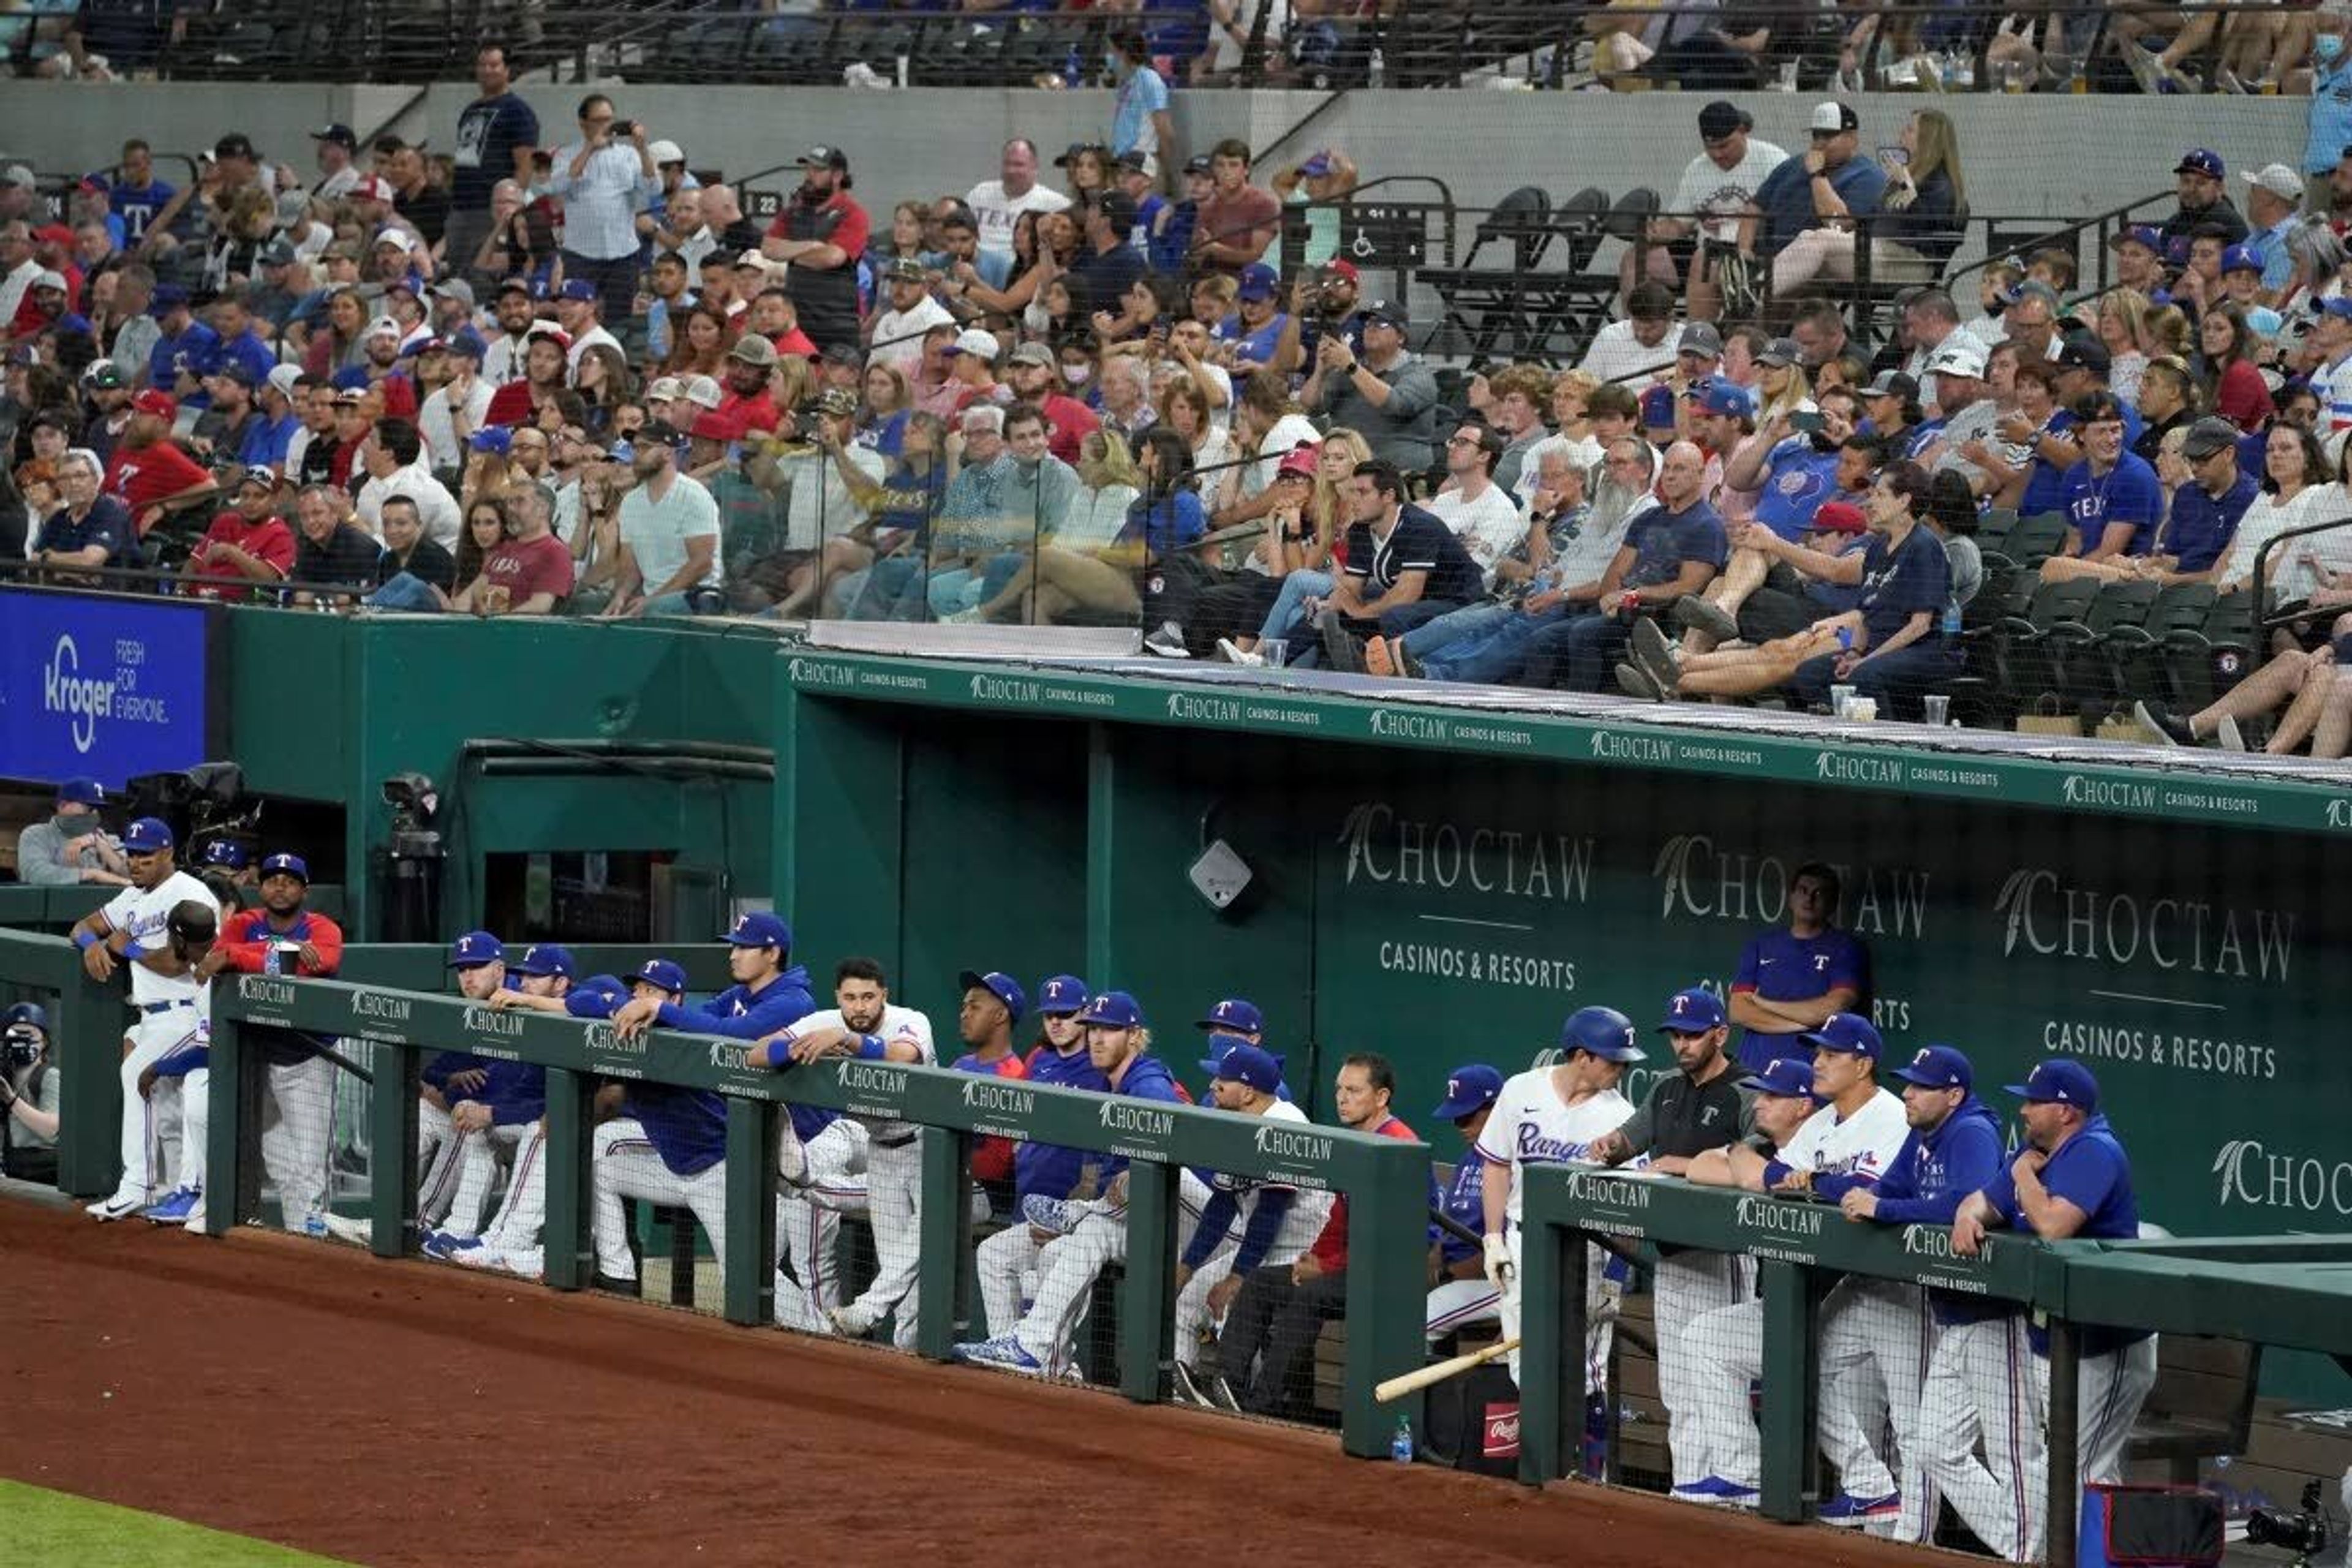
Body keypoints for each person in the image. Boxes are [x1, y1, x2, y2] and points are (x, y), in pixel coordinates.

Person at [1678, 1014, 1909, 1506]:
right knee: (1710, 1339)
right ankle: (1753, 1472)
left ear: (1864, 1064)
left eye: (1830, 1055)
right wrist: (1765, 1168)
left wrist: (1812, 1183)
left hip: (1895, 1290)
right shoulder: (1824, 1122)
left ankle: (1899, 1515)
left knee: (1920, 1429)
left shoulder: (1892, 1117)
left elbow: (1869, 1194)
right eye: (1817, 1052)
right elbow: (1771, 1177)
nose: (1818, 1062)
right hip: (1837, 1287)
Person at [1948, 1059, 2155, 1562]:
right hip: (2057, 1342)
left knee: (2085, 1470)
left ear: (2065, 1111)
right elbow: (1984, 1201)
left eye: (2033, 1101)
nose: (2022, 1110)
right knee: (2064, 1466)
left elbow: (2054, 1225)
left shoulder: (2094, 1152)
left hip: (2106, 1343)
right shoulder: (2037, 1151)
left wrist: (2021, 1173)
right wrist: (1965, 1214)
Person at [952, 990, 1189, 1376]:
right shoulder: (1107, 1081)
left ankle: (1074, 1221)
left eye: (1109, 1030)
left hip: (1169, 1228)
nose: (1097, 1038)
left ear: (1133, 1036)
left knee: (1088, 1230)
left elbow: (1182, 1128)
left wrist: (1143, 1165)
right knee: (997, 1252)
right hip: (1121, 1219)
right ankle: (1023, 1352)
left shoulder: (1145, 1080)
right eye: (1093, 1028)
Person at [1830, 1044, 2004, 1540]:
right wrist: (1869, 1197)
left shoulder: (1972, 1131)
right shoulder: (1924, 1131)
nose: (1906, 1092)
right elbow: (1893, 1186)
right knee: (1931, 1439)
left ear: (1953, 1095)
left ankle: (2001, 1545)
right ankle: (1926, 1537)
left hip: (1990, 1311)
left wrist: (1882, 1210)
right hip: (1947, 1305)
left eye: (1921, 1086)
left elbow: (1964, 1201)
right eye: (1907, 1083)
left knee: (2006, 1452)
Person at [1589, 988, 1757, 1496]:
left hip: (1722, 1255)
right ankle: (1690, 1491)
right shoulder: (1664, 1087)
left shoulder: (1747, 1090)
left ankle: (1734, 1486)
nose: (1682, 1045)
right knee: (1680, 1387)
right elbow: (1630, 1138)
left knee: (1719, 1382)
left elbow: (1754, 1166)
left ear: (1720, 1034)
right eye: (1676, 1036)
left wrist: (1684, 1165)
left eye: (1692, 1035)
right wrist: (1611, 1146)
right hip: (1671, 1255)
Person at [1207, 1052, 1419, 1417]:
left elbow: (1391, 1239)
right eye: (1339, 1089)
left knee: (1311, 1296)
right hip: (1351, 1265)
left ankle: (1264, 1404)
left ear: (1381, 1097)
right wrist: (1315, 1258)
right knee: (1260, 1283)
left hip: (1390, 1269)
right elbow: (1339, 1219)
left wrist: (1327, 1268)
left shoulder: (1400, 1145)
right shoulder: (1355, 1141)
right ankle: (1226, 1386)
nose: (1342, 1098)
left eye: (1354, 1090)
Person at [748, 958, 936, 1343]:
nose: (860, 1006)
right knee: (895, 1267)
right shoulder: (825, 1021)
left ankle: (879, 1323)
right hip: (879, 1149)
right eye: (851, 998)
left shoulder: (909, 1019)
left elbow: (904, 1055)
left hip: (929, 1146)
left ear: (883, 995)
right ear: (839, 998)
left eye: (869, 997)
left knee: (918, 1253)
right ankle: (905, 1355)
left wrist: (846, 1040)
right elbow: (756, 1054)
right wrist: (794, 1049)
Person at [1476, 1006, 1643, 1385]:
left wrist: (1615, 1277)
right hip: (1522, 1241)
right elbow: (1498, 1165)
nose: (1623, 1071)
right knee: (1523, 1362)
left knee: (1586, 1370)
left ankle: (1585, 1447)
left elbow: (1631, 1206)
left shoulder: (1623, 1117)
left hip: (1590, 1249)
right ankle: (1536, 1446)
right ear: (1582, 1057)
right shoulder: (1521, 1090)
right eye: (1615, 1061)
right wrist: (1493, 1239)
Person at [189, 852, 345, 1236]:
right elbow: (217, 957)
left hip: (308, 1056)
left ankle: (314, 1234)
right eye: (273, 879)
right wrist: (278, 954)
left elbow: (319, 964)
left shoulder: (323, 927)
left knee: (311, 1161)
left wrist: (239, 957)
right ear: (260, 887)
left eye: (290, 881)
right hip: (256, 1059)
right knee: (279, 1161)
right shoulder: (243, 923)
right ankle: (299, 1234)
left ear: (304, 891)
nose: (280, 886)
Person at [70, 817, 216, 1220]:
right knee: (167, 1106)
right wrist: (89, 946)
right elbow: (84, 926)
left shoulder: (189, 893)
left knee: (139, 1073)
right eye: (131, 856)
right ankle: (171, 1189)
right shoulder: (133, 897)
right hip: (152, 1016)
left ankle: (139, 1185)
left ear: (168, 853)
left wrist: (128, 949)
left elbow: (182, 962)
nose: (136, 864)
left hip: (190, 1012)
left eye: (145, 856)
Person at [1300, 459, 1487, 671]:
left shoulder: (1419, 526)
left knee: (1395, 616)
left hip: (1458, 601)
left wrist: (1360, 612)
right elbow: (1349, 586)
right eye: (1352, 492)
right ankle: (1287, 674)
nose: (1353, 500)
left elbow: (1406, 596)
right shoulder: (1361, 529)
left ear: (1388, 496)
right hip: (1419, 602)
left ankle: (1377, 670)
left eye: (1362, 493)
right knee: (1325, 616)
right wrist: (1328, 607)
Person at [548, 94, 659, 326]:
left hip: (623, 253)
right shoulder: (566, 154)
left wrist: (643, 149)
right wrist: (590, 148)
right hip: (581, 254)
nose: (606, 126)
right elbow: (559, 185)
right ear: (583, 123)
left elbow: (653, 188)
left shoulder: (628, 155)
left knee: (621, 320)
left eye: (609, 119)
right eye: (598, 120)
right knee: (576, 316)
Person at [1301, 298, 1438, 472]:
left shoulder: (1418, 373)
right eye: (1368, 324)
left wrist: (1351, 367)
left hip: (1398, 473)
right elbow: (1310, 404)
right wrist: (1320, 371)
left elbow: (1394, 405)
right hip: (1346, 469)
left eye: (1381, 324)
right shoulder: (1351, 370)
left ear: (1401, 337)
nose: (1371, 328)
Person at [603, 421, 720, 616]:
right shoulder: (631, 502)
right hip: (653, 597)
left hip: (698, 595)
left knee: (657, 610)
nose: (636, 455)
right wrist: (621, 596)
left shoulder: (693, 495)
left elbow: (702, 563)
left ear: (668, 453)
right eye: (635, 448)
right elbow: (630, 569)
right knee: (592, 604)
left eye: (645, 447)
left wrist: (653, 599)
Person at [444, 44, 539, 284]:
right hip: (461, 207)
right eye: (482, 65)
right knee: (457, 274)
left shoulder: (518, 111)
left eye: (494, 65)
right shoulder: (471, 110)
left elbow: (525, 164)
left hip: (490, 209)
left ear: (507, 70)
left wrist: (510, 210)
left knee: (482, 275)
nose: (487, 70)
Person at [763, 146, 868, 356]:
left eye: (818, 170)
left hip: (836, 324)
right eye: (808, 169)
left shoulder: (852, 212)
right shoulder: (794, 212)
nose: (810, 175)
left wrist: (790, 253)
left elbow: (832, 258)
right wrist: (811, 246)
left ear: (837, 176)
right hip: (797, 321)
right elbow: (768, 248)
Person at [14, 777, 128, 889]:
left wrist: (107, 852)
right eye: (89, 808)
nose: (94, 814)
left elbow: (136, 877)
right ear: (63, 805)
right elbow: (35, 875)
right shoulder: (37, 834)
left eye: (97, 809)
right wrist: (94, 874)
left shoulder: (108, 839)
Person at [0, 1003, 61, 1186]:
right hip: (14, 1167)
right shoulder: (6, 1076)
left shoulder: (49, 1076)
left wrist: (11, 1100)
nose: (21, 1040)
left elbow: (52, 1130)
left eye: (29, 1035)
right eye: (15, 1034)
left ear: (44, 1042)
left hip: (45, 1169)